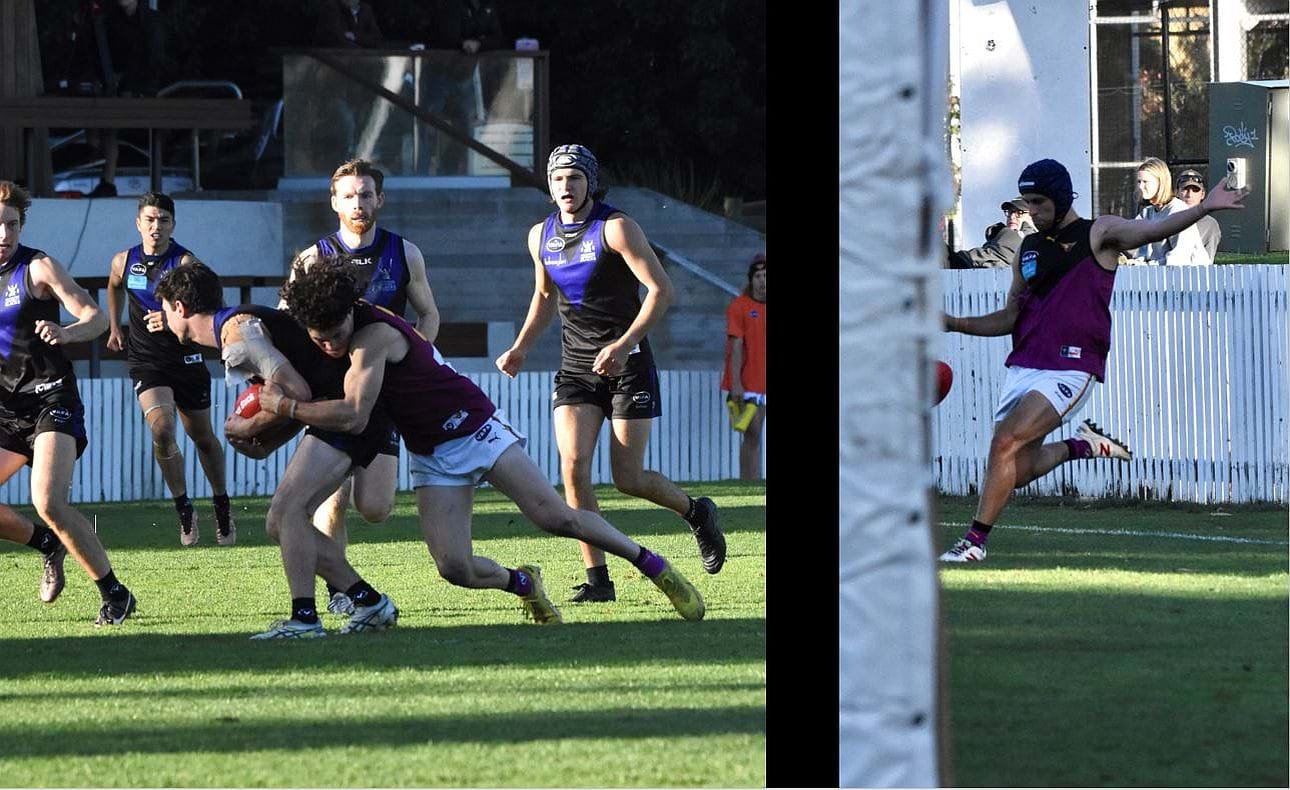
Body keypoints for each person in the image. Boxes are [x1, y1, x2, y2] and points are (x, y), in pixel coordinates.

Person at [267, 261, 707, 623]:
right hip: (431, 451)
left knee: (553, 516)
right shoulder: (329, 327)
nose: (330, 343)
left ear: (352, 309)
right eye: (319, 337)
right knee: (453, 568)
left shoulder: (373, 337)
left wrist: (283, 407)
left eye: (337, 332)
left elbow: (354, 412)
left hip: (472, 425)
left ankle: (653, 566)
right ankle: (523, 584)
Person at [939, 159, 1248, 562]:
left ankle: (973, 543)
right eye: (1028, 203)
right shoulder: (1028, 249)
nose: (1032, 211)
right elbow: (1011, 315)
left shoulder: (1098, 233)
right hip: (1025, 365)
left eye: (1039, 202)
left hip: (1070, 366)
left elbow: (1150, 229)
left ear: (1061, 197)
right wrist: (953, 323)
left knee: (1004, 443)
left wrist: (1203, 208)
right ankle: (1080, 445)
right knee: (1019, 468)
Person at [495, 144, 725, 604]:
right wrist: (520, 347)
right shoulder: (539, 235)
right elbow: (543, 298)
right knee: (574, 468)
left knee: (628, 478)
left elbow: (661, 291)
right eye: (558, 179)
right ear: (549, 185)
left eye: (575, 178)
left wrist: (622, 346)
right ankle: (598, 580)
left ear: (591, 182)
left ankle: (696, 512)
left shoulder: (616, 228)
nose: (566, 187)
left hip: (628, 364)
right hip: (576, 367)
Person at [156, 261, 398, 638]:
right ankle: (368, 601)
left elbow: (297, 393)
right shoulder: (236, 328)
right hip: (338, 410)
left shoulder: (238, 338)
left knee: (288, 512)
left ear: (180, 308)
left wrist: (250, 427)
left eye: (165, 309)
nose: (163, 318)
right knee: (280, 522)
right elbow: (297, 397)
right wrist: (262, 441)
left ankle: (305, 619)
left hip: (344, 411)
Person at [285, 158, 441, 615]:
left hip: (384, 396)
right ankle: (340, 592)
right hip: (333, 397)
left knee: (375, 507)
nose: (359, 203)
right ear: (334, 202)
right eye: (349, 195)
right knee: (330, 503)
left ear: (380, 199)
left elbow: (428, 314)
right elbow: (288, 320)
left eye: (366, 194)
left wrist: (415, 355)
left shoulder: (404, 253)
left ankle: (343, 585)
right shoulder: (312, 259)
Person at [0, 181, 137, 624]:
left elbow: (94, 317)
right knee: (43, 518)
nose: (4, 234)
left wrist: (65, 333)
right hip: (6, 408)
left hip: (51, 398)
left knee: (49, 502)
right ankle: (46, 544)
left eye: (12, 224)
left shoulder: (38, 268)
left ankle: (115, 594)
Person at [105, 192, 233, 547]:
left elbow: (213, 303)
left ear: (173, 224)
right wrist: (115, 326)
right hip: (147, 360)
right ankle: (184, 508)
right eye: (149, 220)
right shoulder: (124, 260)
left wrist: (174, 316)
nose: (155, 227)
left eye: (163, 220)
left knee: (203, 437)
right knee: (162, 430)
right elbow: (113, 286)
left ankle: (221, 503)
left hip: (185, 358)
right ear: (138, 223)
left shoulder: (185, 261)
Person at [66, 0, 165, 197]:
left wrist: (131, 85)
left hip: (144, 90)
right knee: (105, 120)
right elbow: (101, 55)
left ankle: (106, 175)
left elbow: (153, 61)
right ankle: (105, 176)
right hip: (116, 90)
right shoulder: (110, 21)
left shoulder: (150, 22)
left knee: (109, 123)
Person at [418, 0, 505, 174]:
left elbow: (498, 38)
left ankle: (451, 170)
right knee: (429, 124)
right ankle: (422, 171)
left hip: (464, 77)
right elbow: (447, 35)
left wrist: (479, 43)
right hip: (439, 74)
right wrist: (465, 42)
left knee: (466, 128)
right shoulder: (453, 6)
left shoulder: (488, 7)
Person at [721, 253, 767, 480]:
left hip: (763, 382)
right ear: (751, 279)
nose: (762, 280)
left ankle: (753, 482)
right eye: (758, 275)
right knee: (752, 433)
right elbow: (736, 346)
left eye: (766, 275)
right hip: (747, 383)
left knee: (756, 437)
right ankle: (749, 481)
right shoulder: (740, 306)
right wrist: (736, 383)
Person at [1127, 157, 1210, 266]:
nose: (1140, 187)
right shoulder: (1146, 213)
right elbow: (1132, 244)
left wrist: (1147, 266)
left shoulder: (1178, 211)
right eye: (1139, 182)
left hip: (1189, 277)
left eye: (1145, 182)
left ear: (1160, 182)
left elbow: (1179, 259)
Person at [946, 197, 1037, 269]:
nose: (1012, 216)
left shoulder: (1025, 239)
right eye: (1010, 212)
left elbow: (973, 259)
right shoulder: (999, 239)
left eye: (1019, 213)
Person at [1176, 169, 1221, 261]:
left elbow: (1207, 261)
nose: (1189, 195)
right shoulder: (1165, 218)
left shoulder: (1210, 225)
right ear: (1177, 192)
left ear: (1202, 194)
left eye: (1195, 190)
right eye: (1185, 189)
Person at [313, 0, 384, 48]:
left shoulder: (366, 9)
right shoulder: (331, 7)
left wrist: (354, 36)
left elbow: (377, 39)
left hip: (363, 60)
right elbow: (337, 38)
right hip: (333, 60)